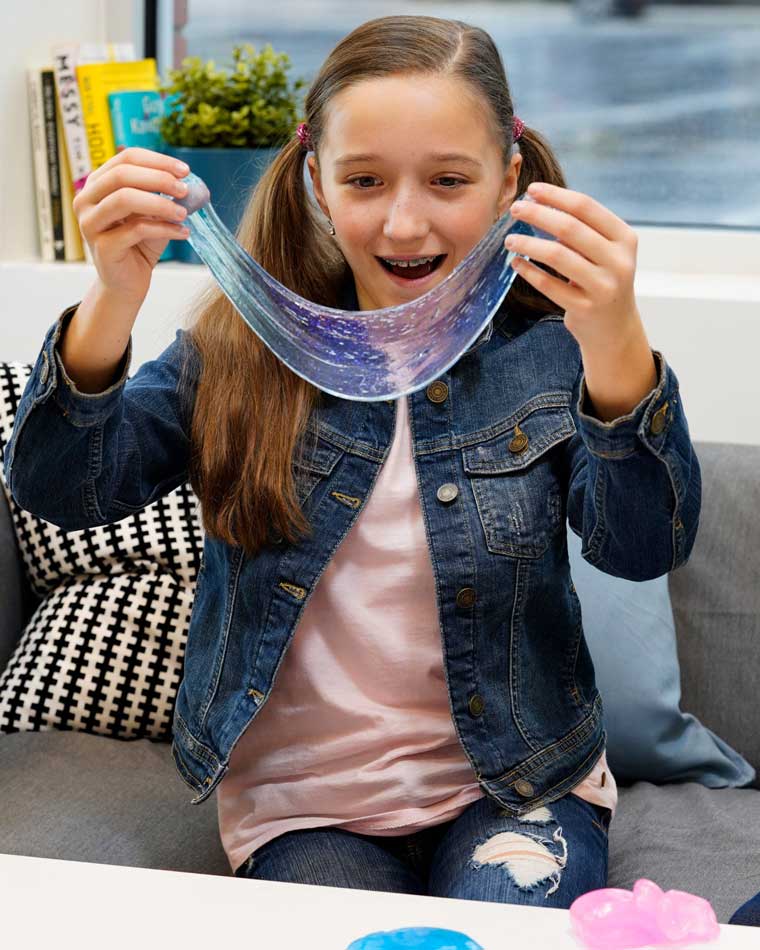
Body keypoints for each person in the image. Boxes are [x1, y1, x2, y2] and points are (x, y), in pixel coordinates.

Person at [4, 15, 700, 909]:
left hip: (519, 788)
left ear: (508, 183)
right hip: (304, 809)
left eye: (449, 179)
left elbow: (642, 547)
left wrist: (618, 346)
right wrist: (113, 295)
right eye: (364, 180)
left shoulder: (553, 353)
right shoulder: (234, 352)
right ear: (316, 185)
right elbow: (67, 490)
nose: (404, 220)